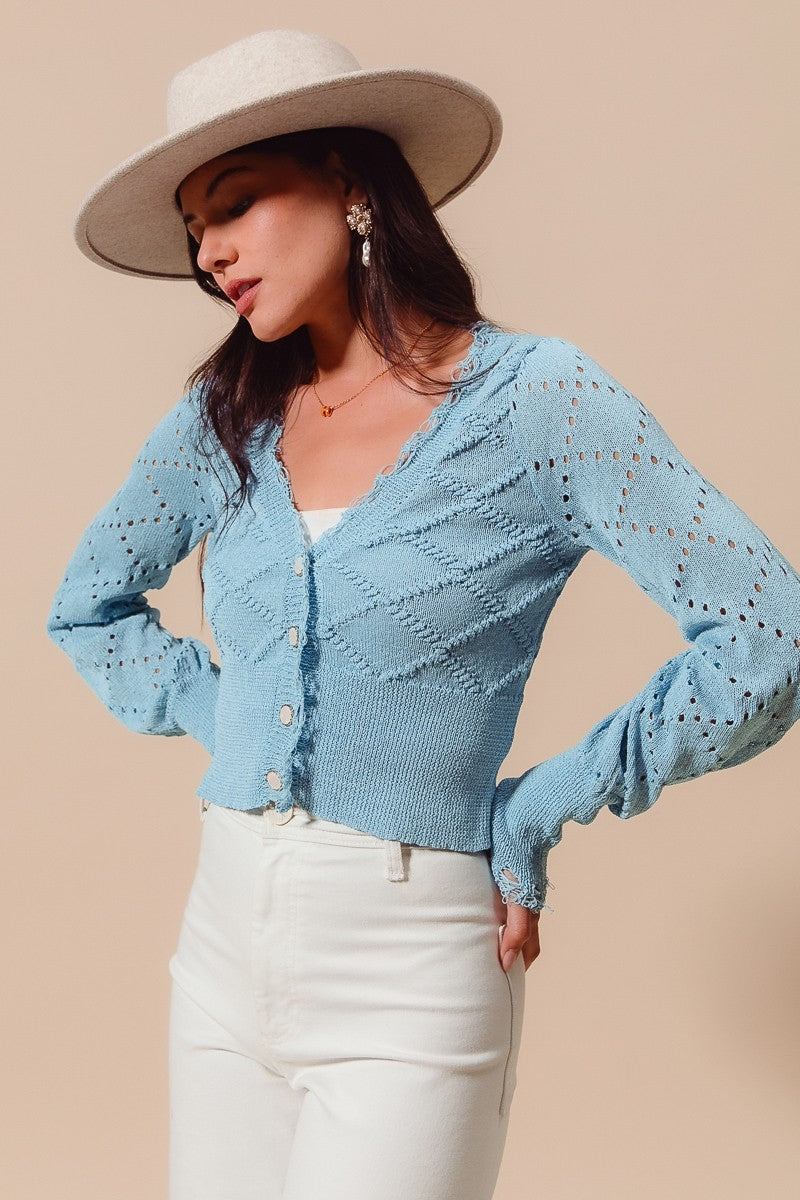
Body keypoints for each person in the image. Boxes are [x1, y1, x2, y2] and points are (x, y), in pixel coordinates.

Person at [46, 27, 800, 1200]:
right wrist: (229, 715)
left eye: (235, 203)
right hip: (221, 949)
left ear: (348, 180)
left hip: (410, 968)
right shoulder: (223, 419)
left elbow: (766, 636)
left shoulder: (539, 400)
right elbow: (86, 608)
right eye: (195, 228)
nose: (210, 251)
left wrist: (542, 803)